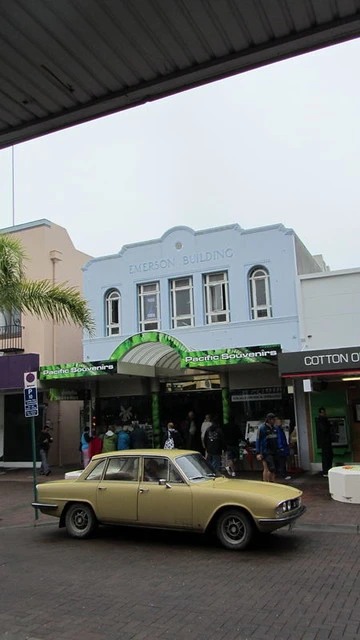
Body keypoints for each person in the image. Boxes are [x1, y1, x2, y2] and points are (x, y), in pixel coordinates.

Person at [256, 413, 283, 482]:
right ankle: (266, 483)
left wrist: (280, 448)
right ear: (269, 420)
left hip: (275, 450)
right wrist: (258, 452)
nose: (274, 421)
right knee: (268, 468)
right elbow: (258, 440)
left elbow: (278, 438)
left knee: (274, 469)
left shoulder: (275, 428)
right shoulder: (262, 428)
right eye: (273, 419)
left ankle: (272, 482)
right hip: (266, 451)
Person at [316, 407, 333, 477]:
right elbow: (324, 429)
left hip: (326, 441)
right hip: (325, 441)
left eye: (324, 412)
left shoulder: (322, 420)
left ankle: (327, 470)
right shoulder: (321, 420)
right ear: (320, 413)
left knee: (328, 455)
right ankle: (326, 471)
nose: (324, 413)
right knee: (326, 456)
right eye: (322, 412)